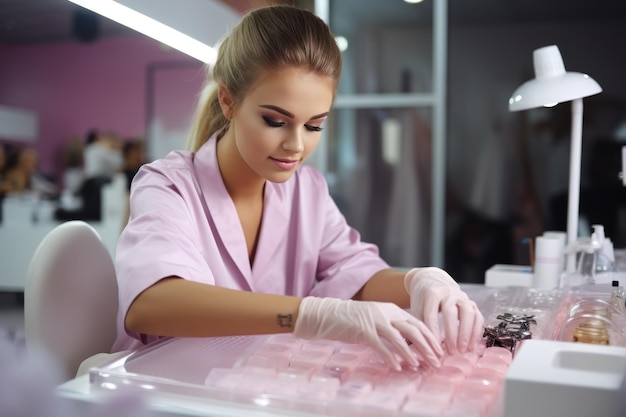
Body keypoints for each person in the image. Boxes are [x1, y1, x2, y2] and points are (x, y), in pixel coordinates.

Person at [113, 5, 484, 371]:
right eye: (275, 121)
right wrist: (308, 315)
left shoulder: (307, 190)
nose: (296, 145)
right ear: (228, 101)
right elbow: (152, 303)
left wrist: (420, 280)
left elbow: (355, 269)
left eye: (314, 126)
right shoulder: (168, 185)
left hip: (252, 387)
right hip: (165, 388)